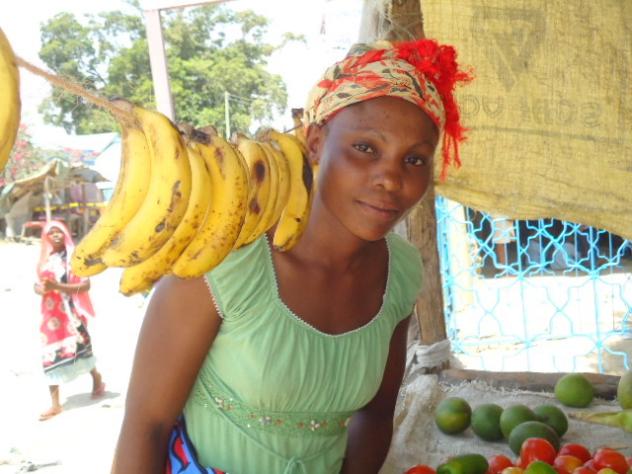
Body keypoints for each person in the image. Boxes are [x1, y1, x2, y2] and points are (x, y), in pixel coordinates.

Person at [112, 38, 471, 473]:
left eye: (414, 160)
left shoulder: (401, 272)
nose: (390, 179)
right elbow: (145, 425)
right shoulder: (226, 260)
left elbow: (376, 416)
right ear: (316, 141)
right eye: (366, 148)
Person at [34, 220, 105, 421]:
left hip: (71, 313)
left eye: (59, 231)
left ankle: (96, 378)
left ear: (65, 234)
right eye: (51, 232)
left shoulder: (75, 258)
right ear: (46, 237)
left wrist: (57, 287)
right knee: (50, 356)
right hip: (50, 317)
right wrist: (42, 289)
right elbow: (36, 286)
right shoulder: (44, 260)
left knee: (82, 350)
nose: (55, 235)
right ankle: (55, 405)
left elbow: (85, 285)